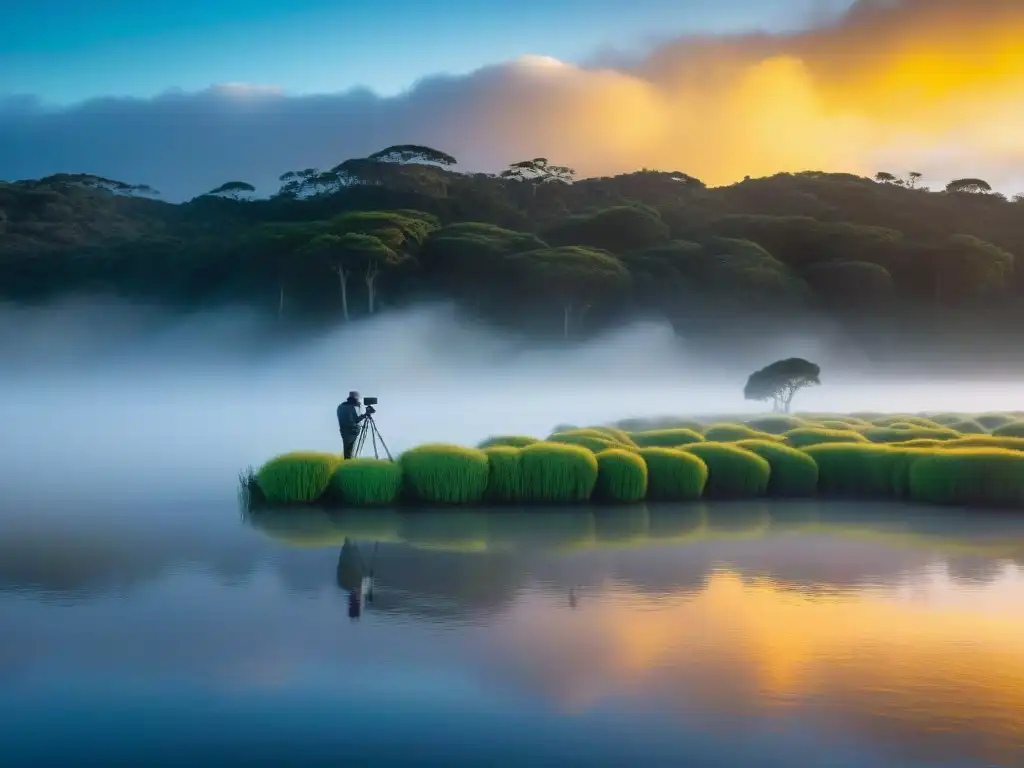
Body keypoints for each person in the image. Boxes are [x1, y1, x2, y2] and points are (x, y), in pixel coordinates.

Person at [337, 390, 368, 459]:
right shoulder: (349, 408)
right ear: (355, 399)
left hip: (344, 431)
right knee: (349, 452)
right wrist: (365, 414)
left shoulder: (341, 406)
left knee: (348, 451)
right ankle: (348, 464)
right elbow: (353, 421)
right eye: (357, 399)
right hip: (350, 433)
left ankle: (347, 463)